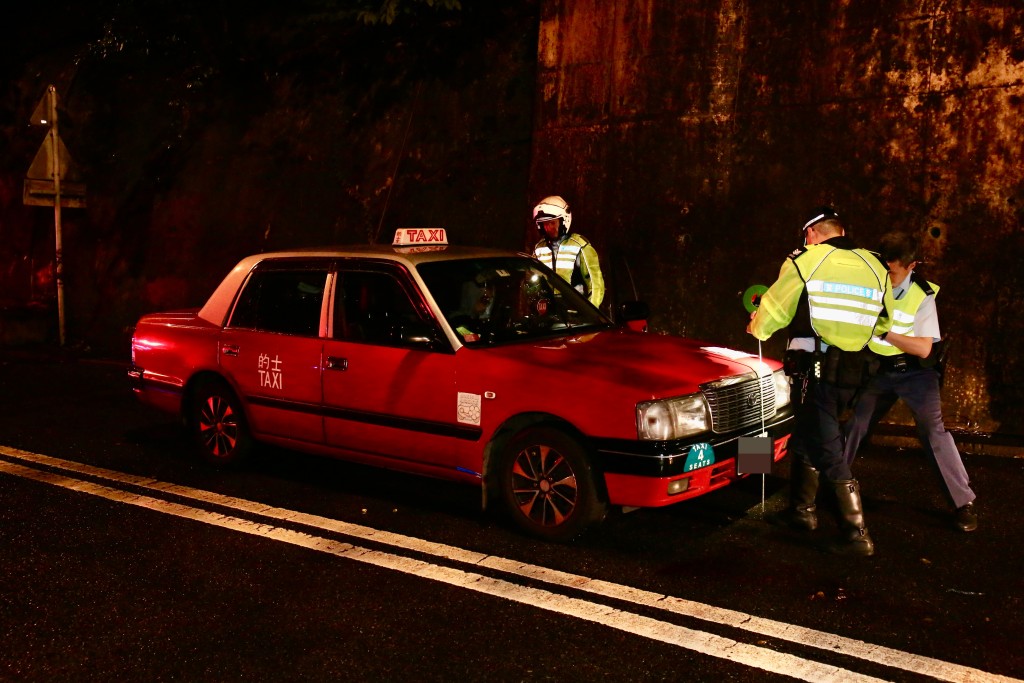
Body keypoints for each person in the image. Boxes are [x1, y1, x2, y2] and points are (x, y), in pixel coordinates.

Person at [747, 206, 894, 556]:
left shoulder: (806, 261)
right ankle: (802, 512)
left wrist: (757, 327)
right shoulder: (876, 265)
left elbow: (776, 308)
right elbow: (886, 320)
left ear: (812, 233)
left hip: (815, 367)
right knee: (809, 432)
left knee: (827, 445)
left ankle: (856, 533)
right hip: (858, 369)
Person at [842, 231, 978, 532]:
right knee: (855, 424)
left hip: (917, 373)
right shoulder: (870, 285)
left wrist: (884, 333)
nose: (885, 275)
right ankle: (834, 486)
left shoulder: (922, 295)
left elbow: (923, 348)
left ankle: (962, 503)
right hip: (880, 371)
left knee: (933, 431)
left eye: (891, 270)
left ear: (911, 265)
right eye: (882, 267)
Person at [532, 195, 605, 308]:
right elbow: (532, 283)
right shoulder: (539, 249)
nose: (548, 228)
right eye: (544, 224)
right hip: (549, 314)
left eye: (552, 223)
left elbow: (595, 284)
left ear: (564, 221)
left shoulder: (579, 245)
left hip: (575, 313)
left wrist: (590, 311)